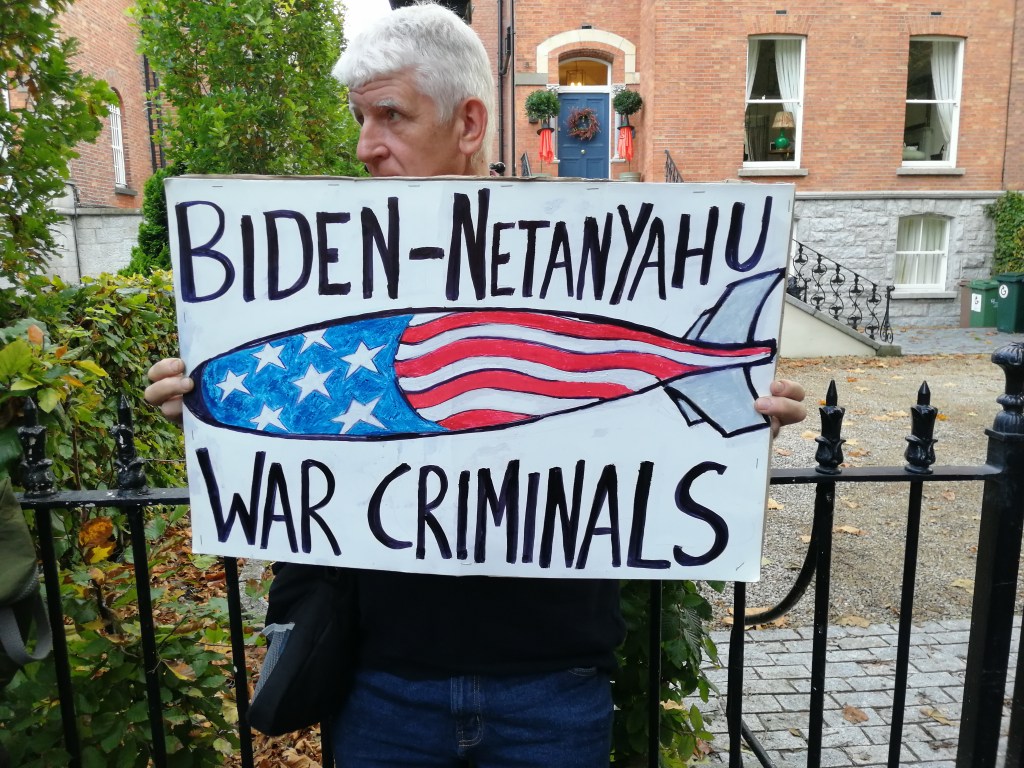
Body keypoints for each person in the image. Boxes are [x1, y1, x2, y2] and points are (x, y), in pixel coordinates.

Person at [145, 4, 807, 766]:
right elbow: (306, 464)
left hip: (552, 685)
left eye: (390, 116)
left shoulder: (569, 239)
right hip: (382, 685)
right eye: (360, 119)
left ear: (467, 123)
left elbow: (641, 458)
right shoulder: (330, 271)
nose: (365, 147)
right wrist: (209, 417)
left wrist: (749, 411)